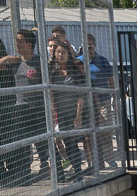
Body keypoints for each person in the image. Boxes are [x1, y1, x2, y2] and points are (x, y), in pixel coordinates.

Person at [0, 28, 48, 182]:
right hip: (21, 107)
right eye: (16, 41)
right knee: (22, 142)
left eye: (20, 41)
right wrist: (7, 58)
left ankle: (47, 167)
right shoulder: (16, 62)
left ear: (29, 44)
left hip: (38, 108)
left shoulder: (39, 62)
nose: (17, 44)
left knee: (42, 141)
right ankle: (23, 172)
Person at [48, 38, 88, 180]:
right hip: (60, 113)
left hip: (72, 113)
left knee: (72, 144)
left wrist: (78, 116)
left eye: (63, 52)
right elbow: (51, 92)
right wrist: (53, 110)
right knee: (58, 142)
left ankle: (78, 172)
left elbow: (81, 96)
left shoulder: (75, 71)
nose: (60, 55)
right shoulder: (53, 71)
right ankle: (60, 174)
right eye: (58, 52)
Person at [85, 34, 115, 168]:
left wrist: (114, 97)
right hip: (88, 103)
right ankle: (94, 161)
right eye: (85, 47)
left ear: (94, 46)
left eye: (90, 46)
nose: (88, 49)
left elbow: (111, 80)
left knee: (105, 131)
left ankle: (110, 158)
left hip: (103, 100)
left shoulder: (103, 61)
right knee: (89, 134)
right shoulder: (79, 61)